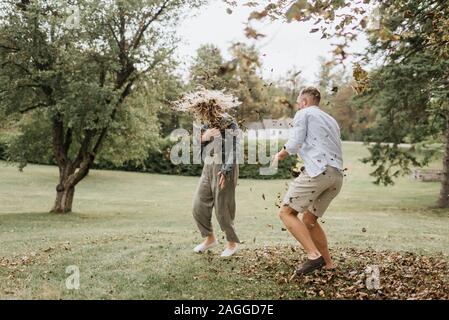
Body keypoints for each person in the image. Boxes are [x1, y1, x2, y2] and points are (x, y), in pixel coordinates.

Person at [273, 86, 344, 275]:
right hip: (336, 175)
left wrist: (279, 155)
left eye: (298, 102)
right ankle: (328, 264)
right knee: (309, 220)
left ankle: (314, 256)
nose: (298, 105)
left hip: (318, 171)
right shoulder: (331, 120)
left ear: (304, 102)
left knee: (286, 213)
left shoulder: (304, 113)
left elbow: (295, 143)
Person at [173, 89, 241, 258]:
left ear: (214, 108)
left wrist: (225, 171)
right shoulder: (204, 126)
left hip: (225, 167)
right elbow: (198, 152)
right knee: (198, 205)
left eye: (205, 110)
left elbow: (235, 149)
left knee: (222, 208)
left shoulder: (229, 122)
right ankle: (210, 239)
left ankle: (232, 244)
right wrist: (204, 138)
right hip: (208, 167)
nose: (203, 114)